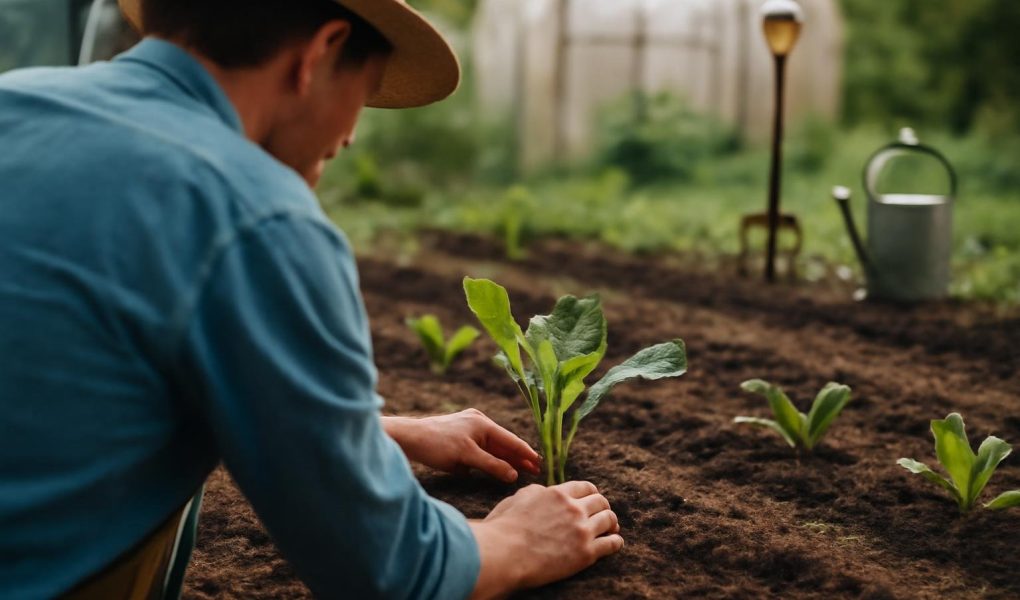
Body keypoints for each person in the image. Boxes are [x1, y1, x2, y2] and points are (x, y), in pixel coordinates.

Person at [0, 0, 624, 598]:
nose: (351, 136)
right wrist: (516, 539)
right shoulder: (255, 213)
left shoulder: (16, 102)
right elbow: (389, 572)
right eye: (366, 87)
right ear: (321, 52)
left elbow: (55, 379)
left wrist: (369, 434)